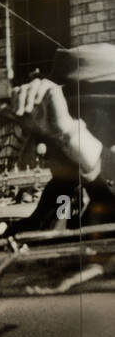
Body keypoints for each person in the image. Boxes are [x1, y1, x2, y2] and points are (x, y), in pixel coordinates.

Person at [9, 44, 115, 231]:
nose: (54, 138)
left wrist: (71, 133)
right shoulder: (62, 190)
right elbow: (37, 232)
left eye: (77, 115)